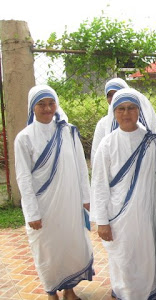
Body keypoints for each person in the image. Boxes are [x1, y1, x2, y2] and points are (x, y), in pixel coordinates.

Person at [14, 85, 93, 300]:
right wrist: (32, 213)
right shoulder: (24, 138)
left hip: (69, 202)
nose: (47, 108)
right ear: (32, 107)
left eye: (51, 103)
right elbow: (23, 178)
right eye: (41, 104)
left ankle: (69, 290)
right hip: (43, 206)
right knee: (47, 250)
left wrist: (86, 199)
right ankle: (51, 291)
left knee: (69, 245)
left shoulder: (68, 131)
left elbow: (80, 166)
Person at [91, 88, 156, 300]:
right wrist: (102, 221)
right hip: (118, 217)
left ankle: (149, 291)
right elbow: (98, 185)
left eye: (131, 108)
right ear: (114, 113)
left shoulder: (152, 142)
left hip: (147, 212)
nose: (126, 113)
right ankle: (126, 294)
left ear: (139, 111)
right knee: (123, 259)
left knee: (146, 255)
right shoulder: (107, 145)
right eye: (121, 109)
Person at [90, 77, 129, 167]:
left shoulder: (138, 121)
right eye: (109, 95)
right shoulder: (103, 124)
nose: (113, 98)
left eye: (117, 93)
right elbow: (95, 157)